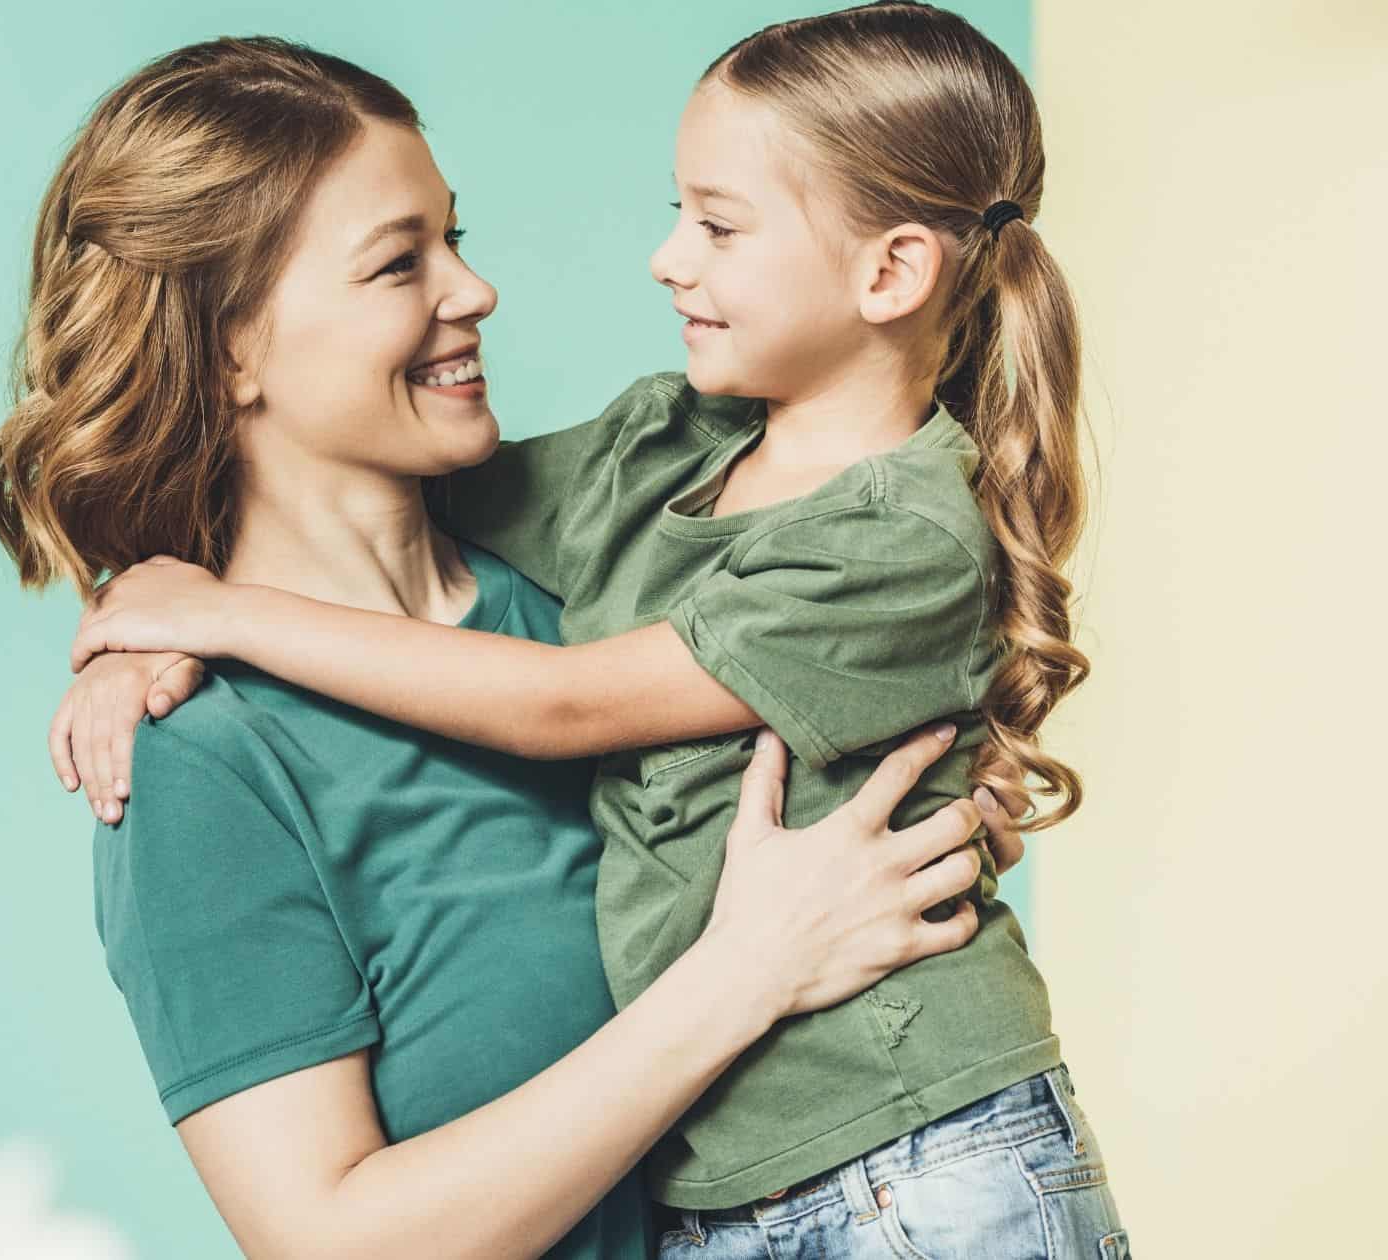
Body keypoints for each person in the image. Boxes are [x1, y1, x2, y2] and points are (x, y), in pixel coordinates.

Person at [56, 6, 1129, 1256]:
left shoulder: (611, 601)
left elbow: (639, 707)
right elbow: (330, 1243)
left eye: (452, 237)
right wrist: (747, 971)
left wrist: (206, 610)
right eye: (399, 262)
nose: (475, 287)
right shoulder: (199, 757)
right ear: (227, 342)